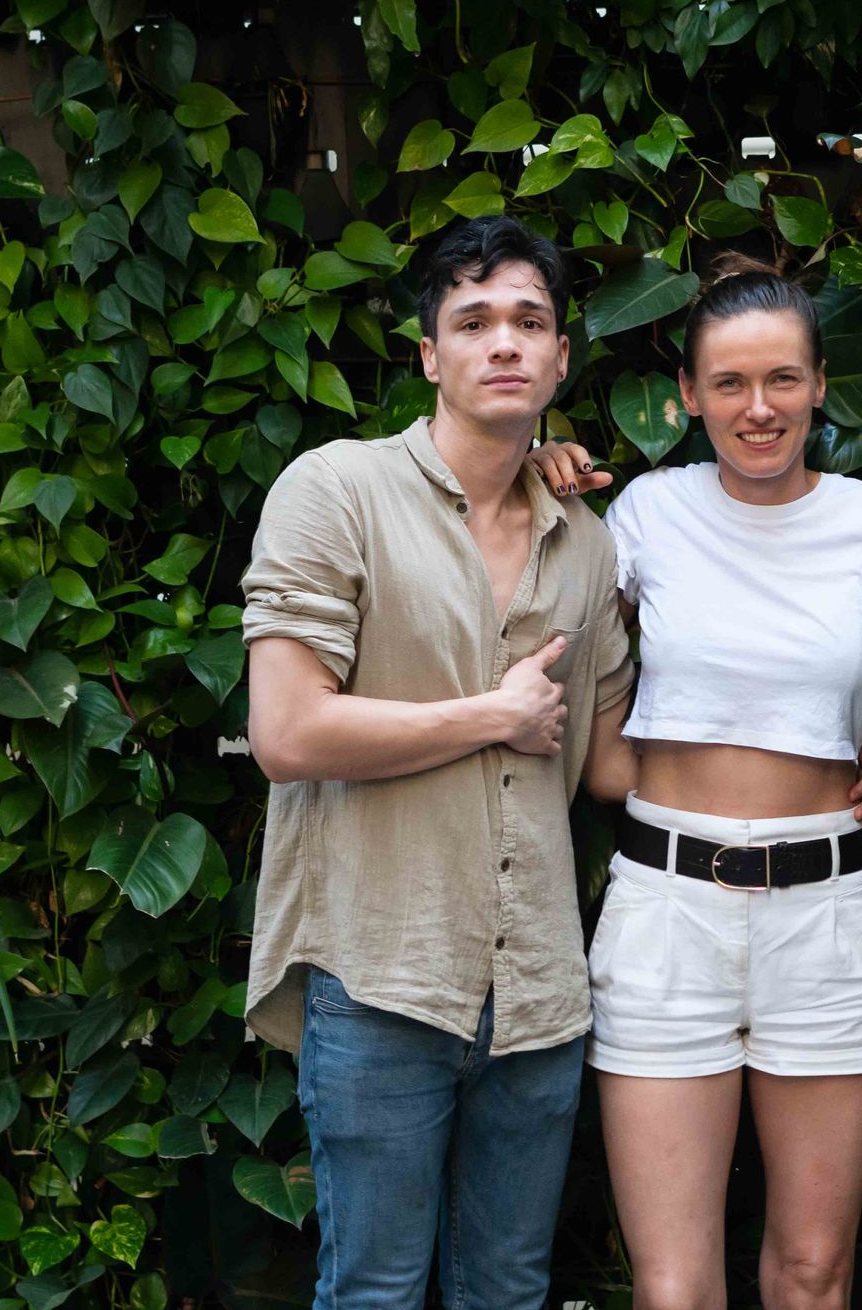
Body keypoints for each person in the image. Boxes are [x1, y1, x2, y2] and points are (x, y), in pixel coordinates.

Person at [526, 254, 862, 1310]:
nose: (756, 409)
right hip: (667, 908)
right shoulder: (646, 514)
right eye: (727, 384)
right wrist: (531, 464)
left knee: (812, 1273)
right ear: (687, 396)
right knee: (672, 1288)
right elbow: (522, 594)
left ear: (818, 385)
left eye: (781, 381)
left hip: (828, 917)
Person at [237, 216, 640, 1310]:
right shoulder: (337, 489)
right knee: (372, 1289)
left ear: (560, 357)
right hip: (382, 977)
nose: (502, 342)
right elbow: (286, 732)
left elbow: (607, 767)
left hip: (540, 996)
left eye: (528, 320)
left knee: (506, 1289)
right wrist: (490, 715)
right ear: (429, 355)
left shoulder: (586, 538)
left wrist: (805, 784)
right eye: (472, 321)